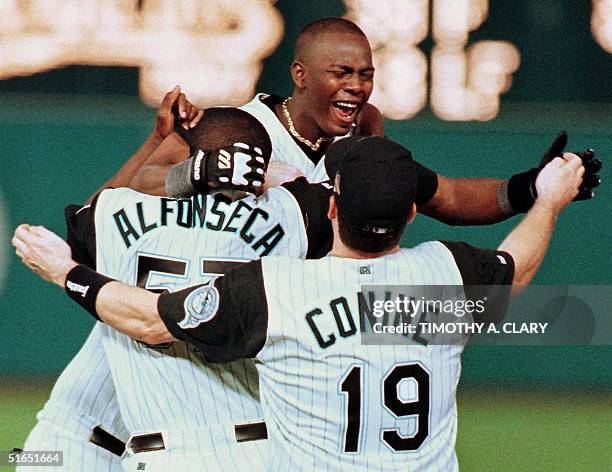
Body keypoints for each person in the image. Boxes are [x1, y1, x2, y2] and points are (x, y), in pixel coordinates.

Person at [14, 135, 585, 470]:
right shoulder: (445, 274)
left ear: (332, 208)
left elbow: (150, 319)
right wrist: (548, 200)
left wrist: (68, 273)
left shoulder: (277, 291)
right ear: (412, 213)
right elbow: (517, 267)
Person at [131, 17, 601, 226]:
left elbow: (447, 196)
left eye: (365, 74)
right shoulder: (237, 126)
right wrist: (193, 173)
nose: (356, 85)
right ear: (301, 75)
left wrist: (530, 190)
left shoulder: (365, 131)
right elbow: (133, 190)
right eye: (341, 73)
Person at [15, 86, 202, 472]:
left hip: (149, 452)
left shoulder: (236, 243)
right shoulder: (141, 232)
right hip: (68, 441)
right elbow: (92, 224)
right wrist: (156, 140)